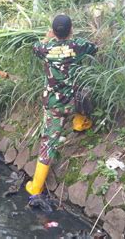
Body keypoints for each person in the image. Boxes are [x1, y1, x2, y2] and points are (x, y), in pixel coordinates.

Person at [26, 14, 97, 196]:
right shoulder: (78, 45)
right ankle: (80, 123)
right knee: (85, 89)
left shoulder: (44, 47)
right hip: (75, 102)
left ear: (53, 30)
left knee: (48, 143)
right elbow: (94, 48)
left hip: (54, 104)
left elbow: (35, 47)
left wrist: (48, 37)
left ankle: (35, 188)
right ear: (71, 29)